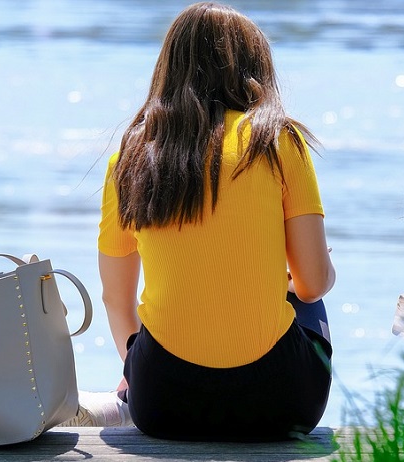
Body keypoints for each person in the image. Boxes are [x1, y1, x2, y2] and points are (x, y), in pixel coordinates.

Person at [94, 2, 335, 441]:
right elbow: (313, 284)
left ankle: (129, 389)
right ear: (255, 69)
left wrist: (135, 370)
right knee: (303, 298)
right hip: (281, 404)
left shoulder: (130, 159)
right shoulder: (278, 141)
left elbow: (115, 298)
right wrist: (303, 273)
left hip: (162, 404)